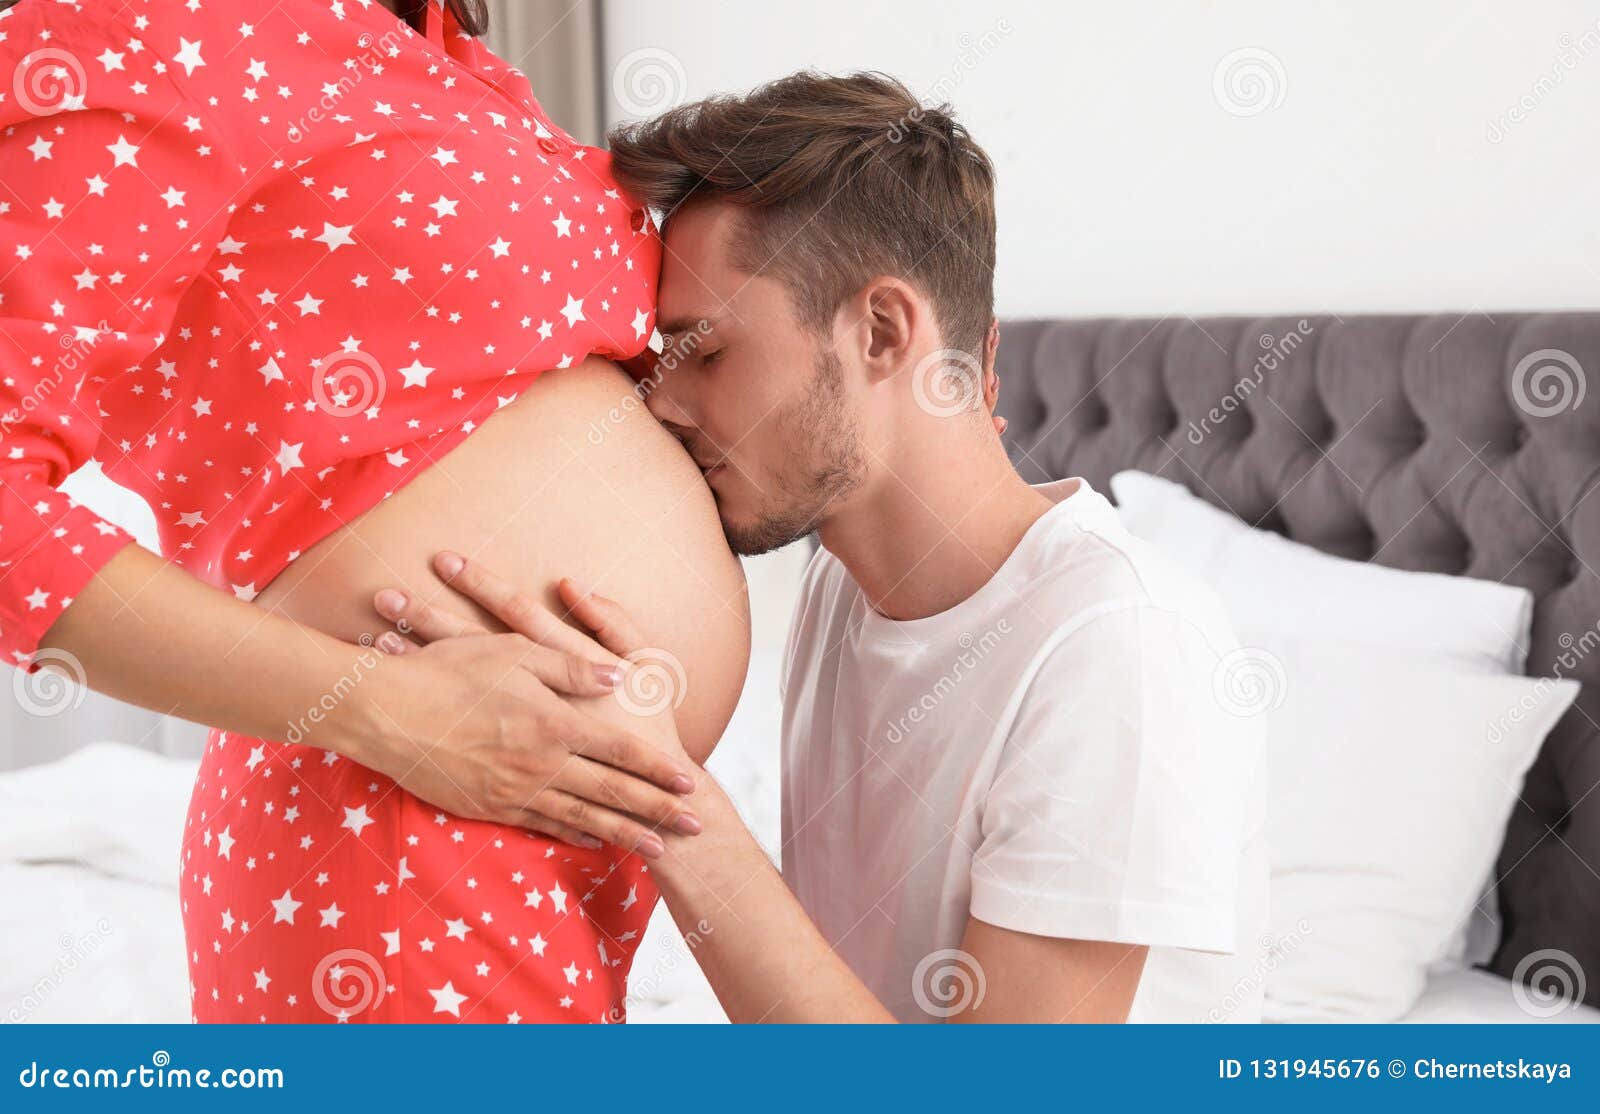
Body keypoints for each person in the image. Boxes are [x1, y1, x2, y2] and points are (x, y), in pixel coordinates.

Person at [383, 72, 1271, 1023]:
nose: (664, 408)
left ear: (883, 331)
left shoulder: (1119, 645)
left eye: (707, 354)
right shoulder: (841, 588)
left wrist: (665, 801)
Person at [0, 0, 748, 1022]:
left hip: (567, 823)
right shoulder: (148, 26)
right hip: (397, 820)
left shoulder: (440, 51)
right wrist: (392, 713)